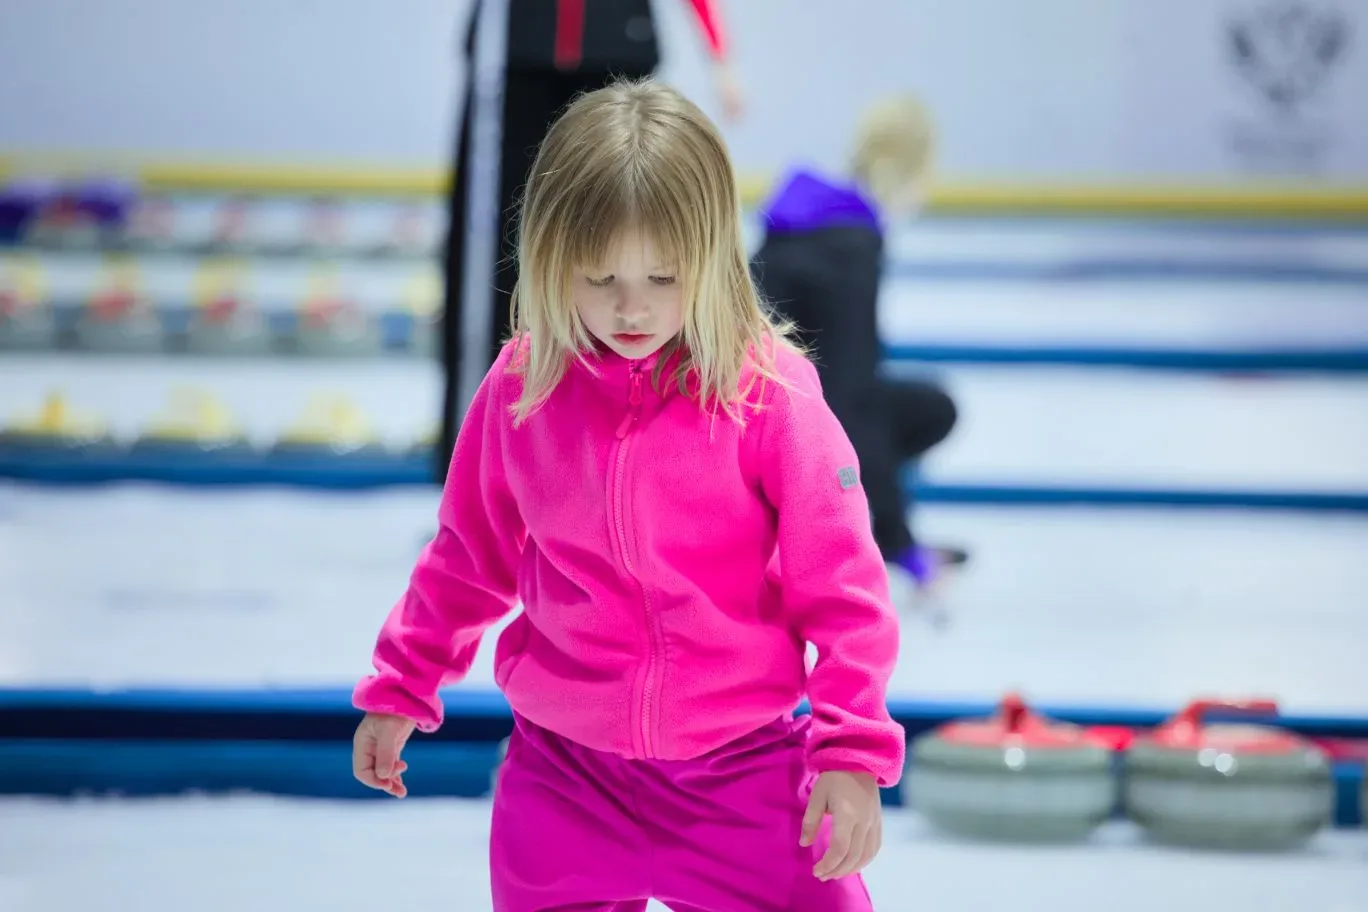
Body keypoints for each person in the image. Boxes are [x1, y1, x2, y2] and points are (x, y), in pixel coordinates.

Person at [353, 79, 904, 912]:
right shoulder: (524, 389)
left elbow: (844, 591)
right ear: (551, 260)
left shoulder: (770, 399)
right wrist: (404, 682)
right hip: (565, 780)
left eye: (662, 276)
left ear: (712, 258)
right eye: (599, 275)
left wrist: (851, 753)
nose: (631, 306)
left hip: (745, 777)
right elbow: (467, 558)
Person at [437, 0, 744, 482]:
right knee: (504, 260)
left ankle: (625, 457)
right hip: (518, 56)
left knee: (628, 255)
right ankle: (490, 456)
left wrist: (718, 52)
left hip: (612, 51)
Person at [750, 96, 967, 597]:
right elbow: (851, 398)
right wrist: (901, 546)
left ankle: (857, 521)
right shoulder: (853, 245)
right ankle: (871, 532)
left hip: (760, 409)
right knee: (921, 410)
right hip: (788, 429)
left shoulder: (806, 219)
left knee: (924, 407)